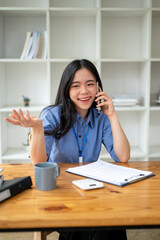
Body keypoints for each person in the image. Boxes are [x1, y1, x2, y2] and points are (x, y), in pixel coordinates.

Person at [5, 59, 130, 240]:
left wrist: (112, 114)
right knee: (91, 227)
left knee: (113, 220)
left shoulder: (101, 117)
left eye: (90, 84)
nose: (84, 91)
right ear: (66, 89)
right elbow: (39, 162)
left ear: (98, 87)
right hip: (61, 192)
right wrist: (37, 128)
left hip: (90, 190)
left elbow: (123, 156)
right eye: (76, 86)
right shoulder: (53, 115)